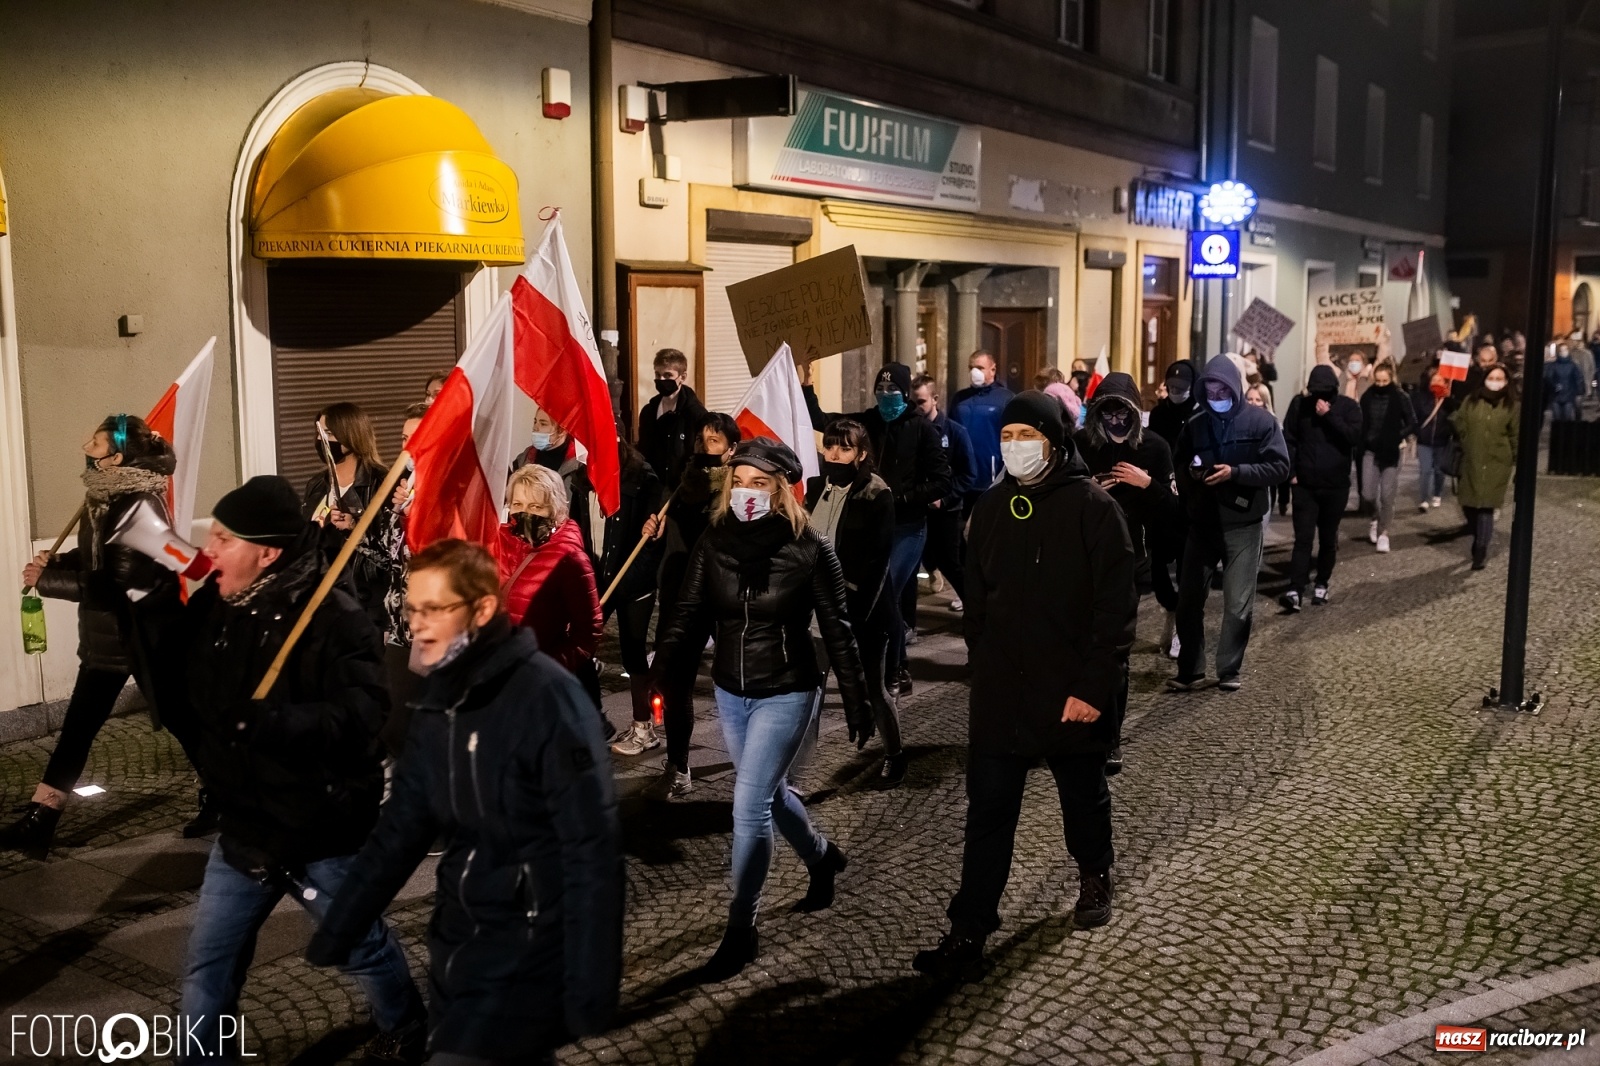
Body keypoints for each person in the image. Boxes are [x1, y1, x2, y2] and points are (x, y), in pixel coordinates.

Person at [130, 476, 426, 1064]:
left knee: (360, 945)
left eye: (223, 538)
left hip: (320, 827)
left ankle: (409, 1027)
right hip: (246, 827)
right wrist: (157, 600)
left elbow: (364, 714)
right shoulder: (222, 604)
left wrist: (273, 723)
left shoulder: (334, 617)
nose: (208, 549)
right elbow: (171, 684)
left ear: (266, 552)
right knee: (209, 969)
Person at [307, 540, 622, 1066]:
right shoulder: (440, 699)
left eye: (436, 609)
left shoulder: (547, 699)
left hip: (526, 953)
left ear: (481, 610)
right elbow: (404, 825)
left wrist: (591, 983)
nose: (419, 625)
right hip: (458, 946)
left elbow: (592, 850)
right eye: (412, 609)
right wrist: (344, 921)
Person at [912, 391, 1136, 980]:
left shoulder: (1093, 508)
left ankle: (1094, 871)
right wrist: (983, 655)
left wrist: (1093, 688)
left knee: (1081, 796)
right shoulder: (989, 508)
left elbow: (1116, 610)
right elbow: (976, 596)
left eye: (1025, 437)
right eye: (1007, 438)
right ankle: (969, 930)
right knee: (987, 814)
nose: (1014, 448)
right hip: (1001, 692)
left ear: (1056, 443)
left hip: (1070, 689)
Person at [652, 438, 872, 980]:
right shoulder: (714, 539)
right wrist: (664, 668)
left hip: (788, 687)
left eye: (760, 483)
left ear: (782, 489)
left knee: (747, 806)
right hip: (730, 688)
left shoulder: (810, 548)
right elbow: (688, 611)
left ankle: (740, 930)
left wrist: (858, 698)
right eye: (740, 481)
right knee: (769, 794)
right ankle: (821, 857)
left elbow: (839, 630)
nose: (747, 492)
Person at [2, 415, 187, 857]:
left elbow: (120, 582)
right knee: (79, 730)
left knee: (187, 724)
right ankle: (40, 820)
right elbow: (98, 558)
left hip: (141, 638)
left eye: (97, 441)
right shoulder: (105, 497)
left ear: (117, 456)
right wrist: (62, 562)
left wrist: (49, 582)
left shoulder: (138, 505)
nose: (86, 445)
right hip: (109, 639)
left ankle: (230, 800)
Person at [804, 362, 950, 698]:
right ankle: (874, 662)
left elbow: (942, 481)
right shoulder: (865, 423)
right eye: (880, 389)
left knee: (888, 592)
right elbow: (823, 422)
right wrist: (807, 385)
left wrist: (902, 497)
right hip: (868, 526)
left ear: (905, 392)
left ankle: (896, 668)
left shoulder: (921, 430)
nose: (886, 395)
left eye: (893, 390)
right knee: (871, 595)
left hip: (907, 528)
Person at [1073, 373, 1176, 774]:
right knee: (1080, 648)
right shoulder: (1082, 445)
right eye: (1108, 411)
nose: (1116, 419)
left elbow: (1172, 511)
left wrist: (1146, 483)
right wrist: (1091, 488)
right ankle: (1081, 724)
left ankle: (1110, 737)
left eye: (1123, 411)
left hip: (1129, 562)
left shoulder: (1155, 448)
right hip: (1082, 561)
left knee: (1115, 652)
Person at [1170, 355, 1291, 692]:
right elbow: (1179, 462)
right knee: (1189, 599)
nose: (1216, 395)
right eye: (1210, 390)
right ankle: (1190, 669)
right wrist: (1193, 476)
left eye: (1222, 389)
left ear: (1234, 387)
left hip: (1244, 523)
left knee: (1238, 602)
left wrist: (1236, 473)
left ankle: (1228, 669)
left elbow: (1279, 467)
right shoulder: (1195, 426)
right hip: (1203, 523)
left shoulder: (1262, 422)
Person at [646, 413, 741, 796]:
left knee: (738, 679)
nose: (705, 447)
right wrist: (653, 528)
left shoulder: (739, 486)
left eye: (714, 441)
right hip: (682, 593)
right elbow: (666, 531)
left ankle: (758, 766)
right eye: (701, 439)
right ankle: (678, 766)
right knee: (674, 680)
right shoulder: (682, 483)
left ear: (731, 448)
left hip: (723, 595)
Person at [805, 419, 904, 784]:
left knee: (873, 689)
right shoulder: (816, 488)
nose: (834, 453)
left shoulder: (876, 494)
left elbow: (877, 564)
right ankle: (796, 771)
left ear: (861, 454)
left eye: (844, 447)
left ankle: (894, 754)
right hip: (817, 611)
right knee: (810, 690)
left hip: (862, 612)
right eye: (830, 445)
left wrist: (852, 612)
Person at [578, 437, 665, 755]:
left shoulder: (641, 477)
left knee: (632, 652)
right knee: (582, 649)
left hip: (633, 584)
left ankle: (644, 727)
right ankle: (592, 721)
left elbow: (653, 540)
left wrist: (630, 579)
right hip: (597, 577)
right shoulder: (580, 477)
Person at [499, 464, 603, 677]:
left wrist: (545, 668)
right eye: (518, 504)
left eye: (535, 506)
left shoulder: (569, 559)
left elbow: (587, 634)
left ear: (555, 509)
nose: (525, 513)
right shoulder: (496, 542)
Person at [301, 402, 391, 630]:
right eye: (319, 433)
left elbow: (391, 554)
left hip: (365, 604)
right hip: (322, 601)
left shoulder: (382, 484)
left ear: (351, 435)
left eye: (329, 433)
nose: (322, 440)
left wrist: (354, 529)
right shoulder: (317, 484)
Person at [1280, 366, 1363, 611]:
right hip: (1305, 485)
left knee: (1328, 539)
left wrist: (1329, 416)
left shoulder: (1348, 407)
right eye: (1315, 392)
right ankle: (1294, 588)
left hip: (1335, 486)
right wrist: (1292, 473)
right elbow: (1289, 439)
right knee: (1302, 539)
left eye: (1324, 393)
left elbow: (1354, 437)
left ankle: (1322, 582)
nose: (1318, 398)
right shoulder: (1299, 406)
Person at [378, 402, 429, 756]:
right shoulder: (404, 483)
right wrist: (395, 513)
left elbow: (440, 552)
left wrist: (415, 514)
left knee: (425, 720)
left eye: (416, 438)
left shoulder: (450, 486)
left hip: (431, 624)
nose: (407, 447)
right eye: (403, 438)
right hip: (398, 623)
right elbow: (388, 554)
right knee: (393, 718)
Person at [910, 373, 975, 613]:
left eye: (921, 402)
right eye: (913, 402)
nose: (916, 408)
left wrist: (945, 498)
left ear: (935, 399)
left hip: (946, 511)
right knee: (914, 561)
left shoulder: (956, 433)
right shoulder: (913, 431)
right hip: (918, 508)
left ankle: (975, 606)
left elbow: (969, 473)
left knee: (950, 562)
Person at [1452, 364, 1519, 570]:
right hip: (1472, 460)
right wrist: (1464, 439)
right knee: (1469, 505)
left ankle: (1481, 548)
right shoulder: (1471, 401)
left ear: (1506, 382)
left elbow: (1516, 435)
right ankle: (1477, 534)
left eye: (1500, 378)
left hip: (1497, 463)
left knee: (1486, 507)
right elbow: (1460, 422)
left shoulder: (1512, 406)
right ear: (1485, 379)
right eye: (1492, 377)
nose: (1496, 381)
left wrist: (1518, 462)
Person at [1358, 361, 1418, 554]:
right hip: (1370, 449)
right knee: (1367, 493)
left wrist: (1397, 435)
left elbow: (1412, 421)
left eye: (1385, 381)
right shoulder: (1367, 397)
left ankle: (1384, 533)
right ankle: (1375, 518)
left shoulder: (1400, 397)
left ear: (1391, 378)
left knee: (1387, 494)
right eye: (1378, 381)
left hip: (1391, 451)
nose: (1381, 384)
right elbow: (1362, 421)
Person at [636, 347, 708, 490]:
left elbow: (699, 457)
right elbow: (643, 450)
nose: (661, 380)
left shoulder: (696, 415)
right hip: (651, 489)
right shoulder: (648, 411)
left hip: (681, 492)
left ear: (682, 377)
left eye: (668, 375)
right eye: (658, 374)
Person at [949, 349, 1014, 496]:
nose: (974, 372)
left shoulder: (1005, 398)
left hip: (990, 474)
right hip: (961, 477)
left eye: (979, 368)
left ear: (993, 370)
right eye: (971, 368)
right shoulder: (959, 398)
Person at [1411, 367, 1456, 512]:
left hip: (1442, 440)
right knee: (1425, 470)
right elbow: (1414, 416)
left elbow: (1455, 414)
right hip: (1424, 441)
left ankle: (1437, 494)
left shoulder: (1448, 399)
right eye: (1434, 379)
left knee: (1438, 470)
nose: (1437, 382)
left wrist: (1448, 398)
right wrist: (1417, 431)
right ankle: (1424, 499)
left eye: (1440, 380)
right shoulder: (1421, 397)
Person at [1148, 360, 1199, 452]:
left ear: (1193, 387)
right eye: (1172, 387)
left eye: (1180, 388)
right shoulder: (1158, 413)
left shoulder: (1200, 415)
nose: (1175, 391)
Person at [1545, 342, 1584, 423]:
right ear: (1559, 352)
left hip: (1569, 395)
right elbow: (1548, 378)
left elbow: (1578, 379)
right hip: (1556, 396)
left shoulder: (1573, 365)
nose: (1563, 352)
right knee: (1557, 419)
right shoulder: (1553, 365)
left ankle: (1566, 434)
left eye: (1565, 350)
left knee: (1567, 418)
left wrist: (1579, 393)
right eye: (1561, 350)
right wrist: (1554, 386)